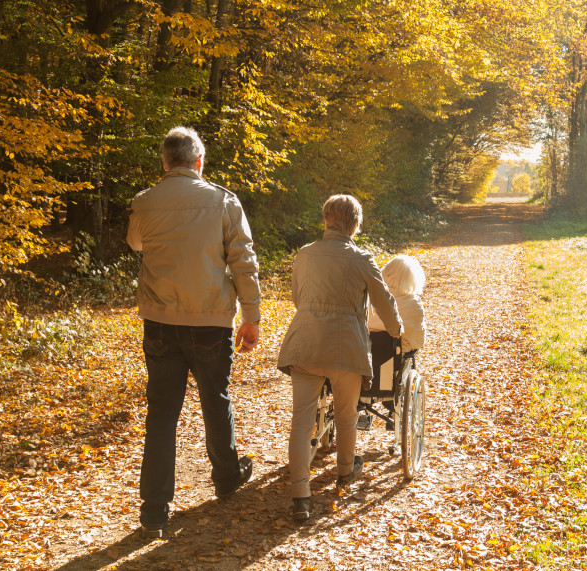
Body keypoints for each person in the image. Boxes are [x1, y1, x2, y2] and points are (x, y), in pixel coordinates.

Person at [126, 126, 261, 539]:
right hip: (209, 320)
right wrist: (251, 315)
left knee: (162, 413)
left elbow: (136, 244)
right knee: (215, 401)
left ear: (165, 163)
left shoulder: (144, 202)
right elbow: (243, 259)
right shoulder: (223, 200)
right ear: (199, 161)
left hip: (161, 321)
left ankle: (153, 511)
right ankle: (225, 478)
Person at [277, 194, 402, 522]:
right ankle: (345, 472)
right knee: (347, 415)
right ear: (355, 225)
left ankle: (300, 494)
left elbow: (297, 297)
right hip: (345, 348)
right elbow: (384, 301)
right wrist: (396, 329)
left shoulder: (304, 255)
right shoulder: (362, 258)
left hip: (305, 344)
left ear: (326, 221)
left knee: (301, 419)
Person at [368, 254, 426, 353]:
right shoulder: (414, 303)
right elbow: (419, 340)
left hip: (366, 355)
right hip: (396, 357)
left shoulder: (369, 298)